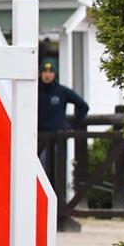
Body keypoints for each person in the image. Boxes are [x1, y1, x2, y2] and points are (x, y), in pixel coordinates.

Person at [38, 57, 88, 231]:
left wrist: (71, 126)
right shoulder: (33, 90)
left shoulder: (61, 92)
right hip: (37, 141)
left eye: (50, 71)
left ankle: (57, 211)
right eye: (44, 71)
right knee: (40, 174)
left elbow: (83, 106)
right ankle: (39, 210)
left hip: (57, 141)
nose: (47, 74)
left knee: (57, 176)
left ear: (55, 73)